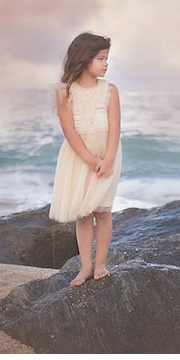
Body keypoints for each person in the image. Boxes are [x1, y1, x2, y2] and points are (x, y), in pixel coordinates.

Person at [49, 32, 122, 286]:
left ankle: (100, 263)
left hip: (107, 155)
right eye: (101, 58)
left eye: (107, 58)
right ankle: (85, 266)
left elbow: (115, 127)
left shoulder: (110, 91)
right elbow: (69, 131)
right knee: (83, 213)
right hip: (79, 157)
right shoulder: (65, 92)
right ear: (84, 58)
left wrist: (109, 158)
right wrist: (89, 159)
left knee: (103, 211)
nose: (106, 63)